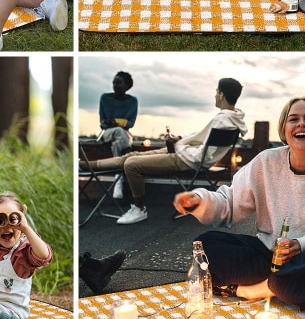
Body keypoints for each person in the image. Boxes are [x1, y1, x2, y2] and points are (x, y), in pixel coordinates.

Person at [174, 96, 305, 313]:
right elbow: (230, 203)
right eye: (293, 119)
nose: (301, 124)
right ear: (284, 129)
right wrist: (199, 200)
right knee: (205, 245)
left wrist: (302, 244)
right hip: (267, 257)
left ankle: (259, 289)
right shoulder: (265, 162)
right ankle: (288, 287)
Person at [87, 78, 247, 225]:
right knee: (131, 155)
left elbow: (200, 156)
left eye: (216, 91)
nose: (214, 95)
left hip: (186, 160)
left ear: (221, 95)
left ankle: (139, 209)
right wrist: (180, 140)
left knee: (131, 164)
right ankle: (87, 165)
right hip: (186, 154)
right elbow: (203, 142)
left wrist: (179, 146)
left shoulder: (222, 120)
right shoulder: (233, 119)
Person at [97, 71, 138, 199]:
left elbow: (130, 124)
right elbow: (103, 123)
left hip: (124, 134)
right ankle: (125, 164)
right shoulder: (105, 98)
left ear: (127, 86)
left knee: (118, 141)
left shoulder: (132, 101)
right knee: (119, 132)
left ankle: (118, 177)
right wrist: (115, 123)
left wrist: (115, 122)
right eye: (114, 82)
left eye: (118, 83)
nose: (115, 85)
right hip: (107, 133)